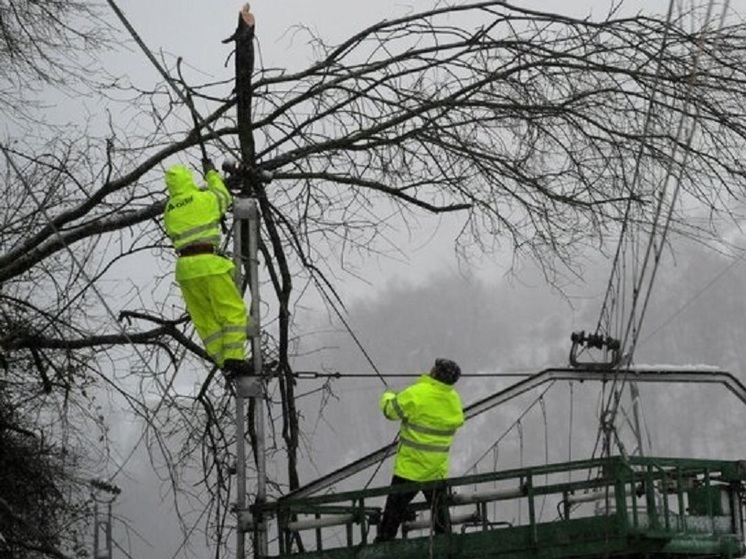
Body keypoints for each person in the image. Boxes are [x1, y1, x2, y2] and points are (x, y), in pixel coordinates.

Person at [163, 160, 252, 378]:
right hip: (208, 264)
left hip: (185, 270)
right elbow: (224, 197)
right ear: (188, 179)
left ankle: (225, 363)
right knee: (232, 312)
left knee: (206, 321)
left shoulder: (169, 210)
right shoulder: (202, 199)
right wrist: (211, 174)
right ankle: (235, 358)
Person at [375, 358, 465, 542]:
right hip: (436, 470)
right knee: (440, 516)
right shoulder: (454, 400)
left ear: (435, 372)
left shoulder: (418, 393)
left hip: (410, 468)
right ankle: (445, 545)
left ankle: (383, 545)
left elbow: (390, 411)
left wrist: (388, 395)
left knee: (392, 516)